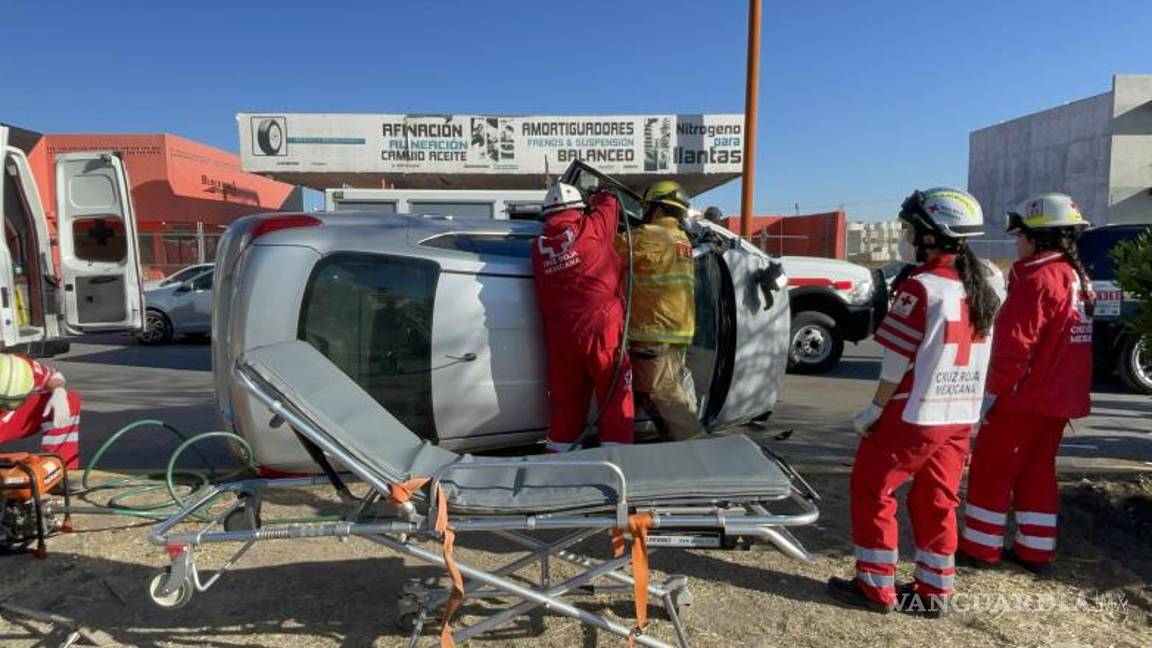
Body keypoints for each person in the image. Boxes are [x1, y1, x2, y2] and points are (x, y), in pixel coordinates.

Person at [828, 187, 1000, 616]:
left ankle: (874, 587)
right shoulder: (989, 279)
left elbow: (895, 360)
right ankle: (934, 591)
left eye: (911, 228)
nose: (905, 235)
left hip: (915, 410)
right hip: (961, 414)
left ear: (932, 234)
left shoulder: (920, 287)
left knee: (873, 489)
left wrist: (873, 410)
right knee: (938, 499)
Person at [959, 193, 1094, 574]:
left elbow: (1015, 346)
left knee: (991, 469)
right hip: (1059, 400)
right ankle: (1035, 552)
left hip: (1023, 400)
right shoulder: (1077, 277)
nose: (1016, 244)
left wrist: (990, 395)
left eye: (1020, 236)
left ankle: (979, 549)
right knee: (1038, 473)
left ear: (1039, 238)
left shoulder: (1036, 279)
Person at [531, 182, 634, 452]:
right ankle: (617, 460)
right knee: (614, 397)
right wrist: (602, 192)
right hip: (602, 327)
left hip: (562, 334)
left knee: (567, 400)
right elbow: (610, 203)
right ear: (579, 209)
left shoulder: (538, 248)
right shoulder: (592, 228)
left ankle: (559, 460)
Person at [617, 181, 704, 442]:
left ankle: (702, 450)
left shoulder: (649, 236)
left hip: (655, 331)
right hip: (677, 330)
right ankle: (675, 448)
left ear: (654, 208)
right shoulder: (681, 238)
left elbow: (606, 253)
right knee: (657, 395)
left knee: (663, 395)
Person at [0, 353, 81, 469]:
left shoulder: (20, 368)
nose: (7, 407)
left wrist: (58, 390)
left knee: (68, 400)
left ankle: (59, 466)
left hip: (5, 424)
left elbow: (54, 377)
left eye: (13, 402)